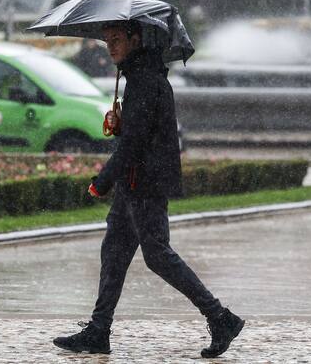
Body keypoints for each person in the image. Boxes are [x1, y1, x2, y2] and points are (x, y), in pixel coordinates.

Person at [52, 21, 244, 358]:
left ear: (135, 39)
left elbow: (135, 145)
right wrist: (121, 123)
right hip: (136, 181)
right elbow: (138, 133)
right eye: (107, 40)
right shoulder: (139, 77)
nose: (110, 46)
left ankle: (220, 317)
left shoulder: (144, 81)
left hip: (145, 181)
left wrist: (102, 180)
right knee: (114, 251)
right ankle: (99, 330)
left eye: (116, 39)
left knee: (157, 255)